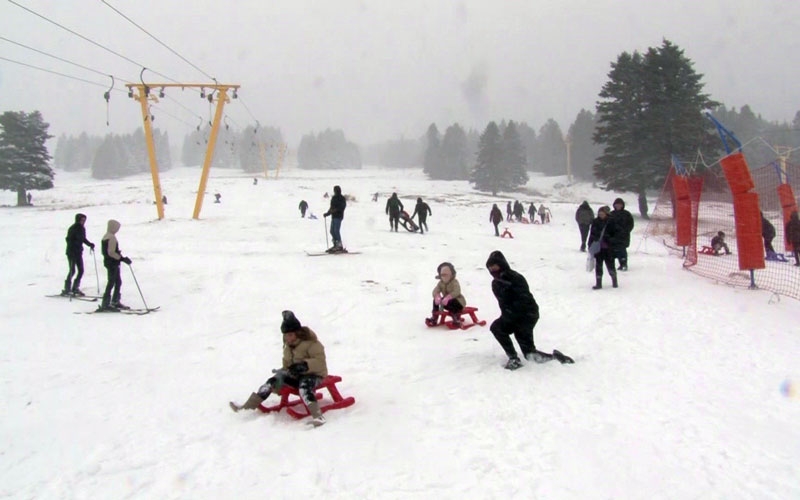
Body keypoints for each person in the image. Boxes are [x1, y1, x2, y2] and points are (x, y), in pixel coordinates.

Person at [229, 310, 328, 427]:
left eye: (290, 335)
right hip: (296, 376)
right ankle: (247, 407)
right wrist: (283, 373)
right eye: (285, 335)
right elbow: (287, 364)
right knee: (272, 381)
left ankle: (318, 416)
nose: (287, 338)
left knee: (304, 386)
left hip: (314, 375)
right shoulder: (288, 347)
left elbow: (320, 362)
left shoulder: (312, 343)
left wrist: (304, 365)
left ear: (298, 333)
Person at [485, 251, 573, 369]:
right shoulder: (495, 283)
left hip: (526, 316)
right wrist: (508, 316)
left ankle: (557, 358)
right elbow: (503, 303)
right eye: (490, 267)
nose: (492, 269)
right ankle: (513, 358)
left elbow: (524, 300)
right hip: (510, 316)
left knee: (529, 354)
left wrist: (514, 314)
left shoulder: (516, 278)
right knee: (497, 328)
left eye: (494, 266)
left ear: (502, 264)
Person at [100, 219, 132, 311]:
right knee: (113, 282)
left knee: (116, 281)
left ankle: (113, 301)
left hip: (108, 262)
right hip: (112, 263)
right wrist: (122, 258)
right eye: (117, 228)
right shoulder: (112, 238)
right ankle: (108, 303)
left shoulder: (105, 236)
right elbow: (111, 252)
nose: (117, 230)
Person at [62, 213, 95, 296]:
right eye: (82, 220)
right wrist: (73, 246)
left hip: (78, 252)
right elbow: (68, 239)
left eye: (84, 220)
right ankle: (68, 288)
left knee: (80, 270)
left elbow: (82, 239)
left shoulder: (81, 228)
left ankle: (74, 287)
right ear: (78, 220)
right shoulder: (73, 228)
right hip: (72, 252)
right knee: (73, 270)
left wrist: (89, 244)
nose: (83, 222)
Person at [425, 262, 466, 327]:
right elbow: (435, 290)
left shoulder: (454, 282)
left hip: (458, 302)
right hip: (446, 303)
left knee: (452, 301)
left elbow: (457, 291)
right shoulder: (441, 283)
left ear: (451, 274)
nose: (444, 277)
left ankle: (456, 319)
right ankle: (434, 318)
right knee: (434, 301)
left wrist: (449, 297)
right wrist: (437, 296)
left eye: (446, 275)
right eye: (442, 275)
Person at [587, 206, 618, 290]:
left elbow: (616, 234)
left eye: (602, 214)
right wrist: (590, 244)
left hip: (608, 248)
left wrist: (609, 239)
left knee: (610, 265)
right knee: (598, 265)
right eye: (599, 214)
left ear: (606, 214)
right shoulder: (595, 222)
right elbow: (592, 234)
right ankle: (598, 283)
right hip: (598, 247)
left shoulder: (611, 222)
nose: (601, 215)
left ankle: (614, 281)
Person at [610, 198, 634, 270]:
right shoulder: (611, 214)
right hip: (613, 236)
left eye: (620, 204)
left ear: (622, 205)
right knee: (614, 251)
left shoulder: (627, 214)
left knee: (622, 250)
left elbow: (631, 224)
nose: (618, 206)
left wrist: (626, 231)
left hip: (623, 236)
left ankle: (624, 264)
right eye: (617, 204)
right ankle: (617, 264)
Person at [323, 185, 346, 252]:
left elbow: (342, 207)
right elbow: (331, 207)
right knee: (332, 231)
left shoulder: (342, 198)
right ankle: (335, 244)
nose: (335, 191)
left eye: (336, 190)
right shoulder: (334, 198)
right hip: (334, 216)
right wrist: (327, 213)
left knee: (336, 230)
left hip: (339, 216)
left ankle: (339, 246)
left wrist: (335, 210)